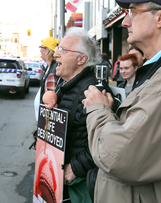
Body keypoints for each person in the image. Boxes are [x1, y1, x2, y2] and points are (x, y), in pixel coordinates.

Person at [83, 0, 161, 202]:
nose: (125, 22)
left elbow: (118, 157)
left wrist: (97, 109)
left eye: (133, 12)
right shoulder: (159, 68)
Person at [53, 27, 115, 203]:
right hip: (61, 180)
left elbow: (109, 143)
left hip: (81, 184)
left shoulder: (96, 93)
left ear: (81, 59)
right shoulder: (65, 86)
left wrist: (75, 168)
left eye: (63, 50)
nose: (56, 54)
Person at [39, 37, 60, 102]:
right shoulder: (50, 67)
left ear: (47, 50)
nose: (40, 50)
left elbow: (50, 102)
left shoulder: (53, 72)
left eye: (41, 47)